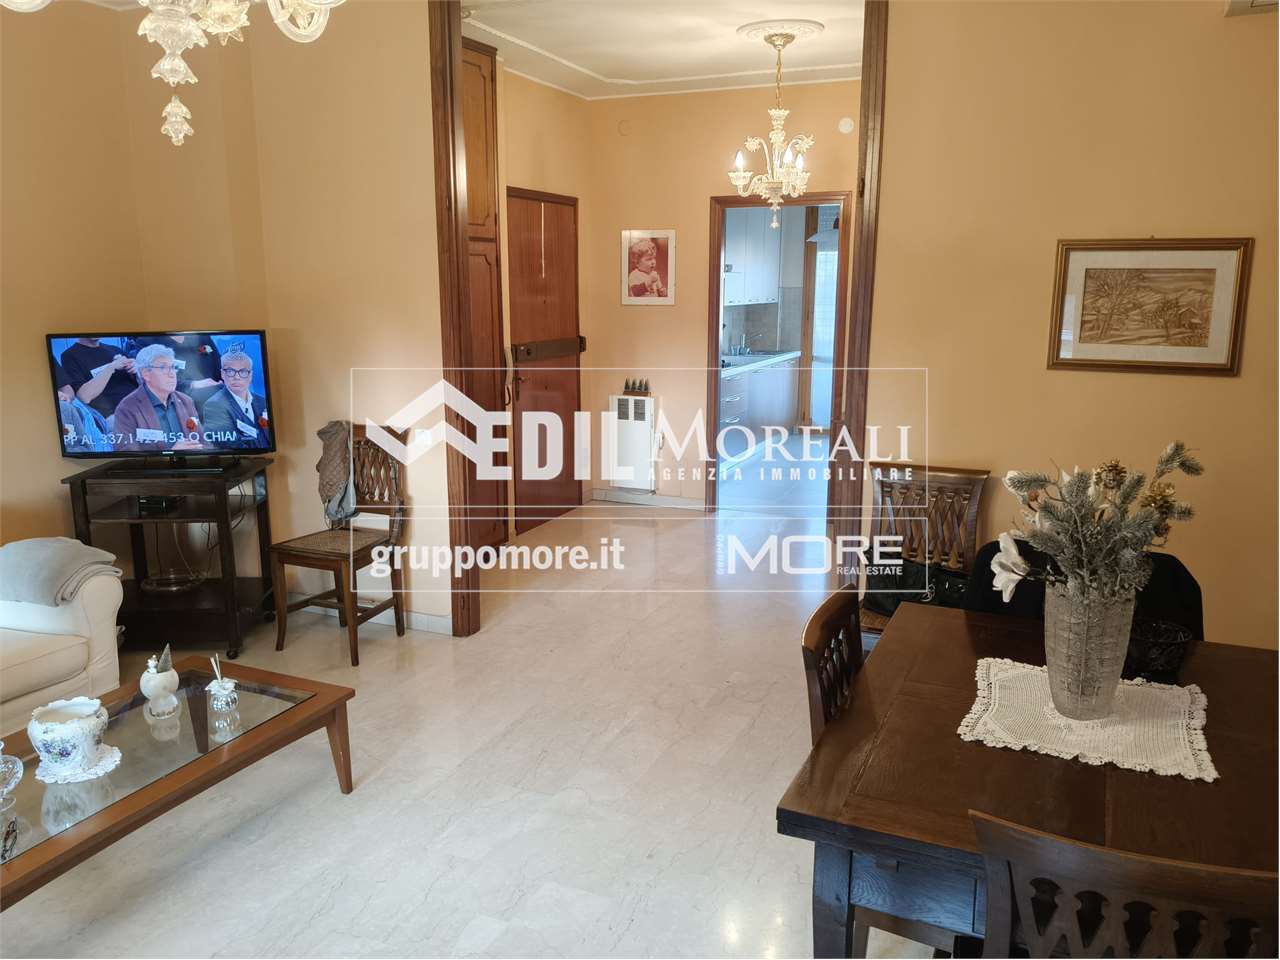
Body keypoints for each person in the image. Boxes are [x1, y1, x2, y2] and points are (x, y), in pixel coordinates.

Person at [111, 343, 202, 452]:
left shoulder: (186, 401)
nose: (172, 374)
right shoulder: (127, 408)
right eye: (163, 368)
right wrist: (171, 453)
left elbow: (203, 442)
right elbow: (127, 454)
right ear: (146, 374)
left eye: (173, 367)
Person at [200, 349, 271, 450]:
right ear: (222, 374)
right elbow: (230, 445)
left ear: (250, 376)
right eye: (230, 371)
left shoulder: (262, 402)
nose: (237, 377)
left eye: (243, 372)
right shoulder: (214, 405)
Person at [128, 334, 223, 406]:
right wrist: (193, 384)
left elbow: (217, 363)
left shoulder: (201, 337)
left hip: (216, 391)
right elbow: (152, 380)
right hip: (178, 399)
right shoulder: (147, 342)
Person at [60, 338, 137, 419]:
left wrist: (135, 370)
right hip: (115, 415)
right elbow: (84, 397)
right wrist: (111, 367)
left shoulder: (115, 349)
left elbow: (138, 383)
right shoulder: (69, 356)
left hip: (139, 405)